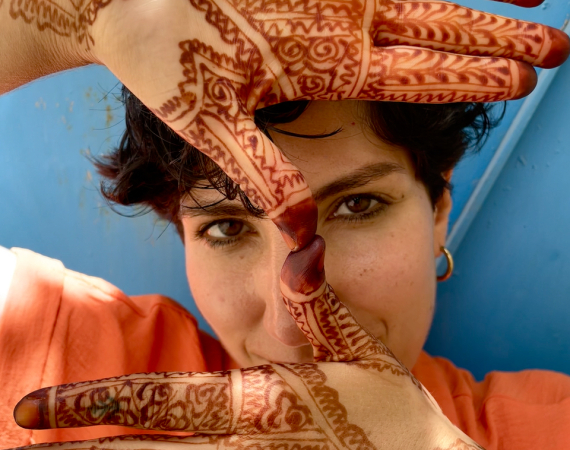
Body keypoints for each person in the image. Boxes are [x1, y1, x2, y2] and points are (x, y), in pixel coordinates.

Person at [1, 0, 570, 449]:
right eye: (226, 228)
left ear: (439, 209)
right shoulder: (61, 352)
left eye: (357, 206)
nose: (291, 324)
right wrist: (75, 16)